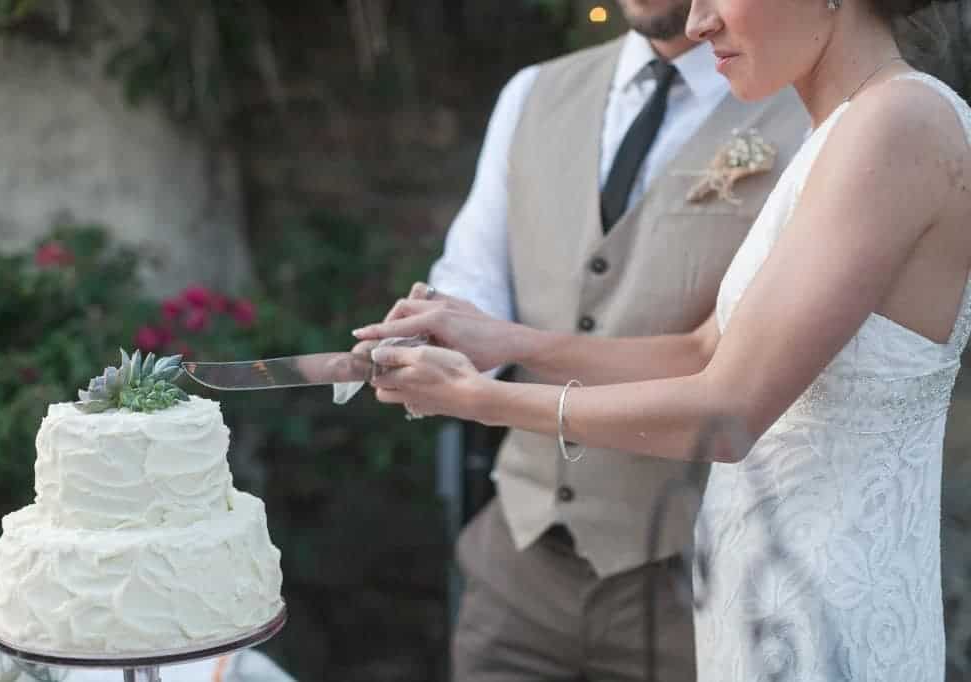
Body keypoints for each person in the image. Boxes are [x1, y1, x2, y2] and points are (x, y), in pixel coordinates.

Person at [354, 0, 971, 679]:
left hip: (824, 603)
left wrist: (479, 401)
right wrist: (505, 342)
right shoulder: (849, 126)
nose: (699, 20)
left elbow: (729, 412)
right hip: (747, 590)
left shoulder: (897, 122)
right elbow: (705, 351)